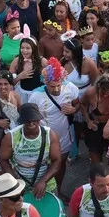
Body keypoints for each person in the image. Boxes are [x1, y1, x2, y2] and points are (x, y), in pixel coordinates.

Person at [27, 58, 79, 197]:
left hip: (64, 137)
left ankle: (59, 191)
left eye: (58, 85)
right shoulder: (36, 96)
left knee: (61, 166)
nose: (56, 89)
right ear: (45, 83)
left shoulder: (71, 88)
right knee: (45, 167)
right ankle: (44, 191)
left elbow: (78, 103)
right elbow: (31, 117)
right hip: (45, 140)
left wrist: (74, 109)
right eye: (52, 86)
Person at [0, 103, 63, 198]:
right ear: (23, 121)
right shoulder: (11, 137)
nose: (31, 123)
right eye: (28, 120)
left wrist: (43, 181)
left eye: (34, 120)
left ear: (39, 119)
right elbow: (3, 160)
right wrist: (16, 181)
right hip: (20, 185)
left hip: (46, 184)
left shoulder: (50, 135)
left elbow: (57, 160)